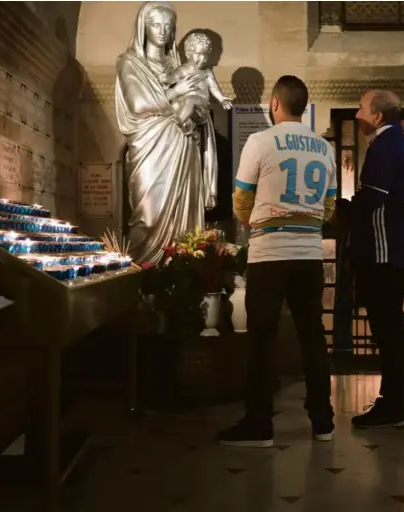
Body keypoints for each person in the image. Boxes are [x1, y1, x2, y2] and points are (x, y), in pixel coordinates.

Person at [217, 75, 337, 447]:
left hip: (269, 254)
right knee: (313, 336)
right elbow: (329, 208)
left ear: (274, 103)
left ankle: (259, 424)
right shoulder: (324, 148)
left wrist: (255, 222)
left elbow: (240, 199)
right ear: (303, 106)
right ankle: (323, 422)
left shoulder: (259, 141)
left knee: (261, 340)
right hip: (309, 255)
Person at [115, 1, 219, 264]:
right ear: (143, 27)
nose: (162, 31)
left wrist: (198, 109)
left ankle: (183, 274)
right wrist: (177, 92)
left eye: (168, 26)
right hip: (150, 147)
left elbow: (201, 107)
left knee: (186, 227)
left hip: (185, 147)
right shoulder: (129, 62)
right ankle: (144, 279)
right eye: (155, 25)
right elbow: (139, 104)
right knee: (148, 218)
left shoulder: (178, 67)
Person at [349, 90, 404, 428]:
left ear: (377, 116)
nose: (358, 113)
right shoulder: (401, 143)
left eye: (362, 108)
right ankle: (400, 400)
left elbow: (373, 197)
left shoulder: (385, 145)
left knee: (386, 329)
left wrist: (345, 212)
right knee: (393, 329)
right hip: (399, 246)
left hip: (383, 249)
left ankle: (392, 404)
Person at [159, 32, 233, 135]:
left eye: (205, 55)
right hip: (184, 103)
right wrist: (165, 79)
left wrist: (221, 99)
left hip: (201, 105)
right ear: (188, 53)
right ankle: (182, 126)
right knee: (175, 105)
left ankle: (177, 124)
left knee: (190, 100)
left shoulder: (206, 72)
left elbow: (213, 88)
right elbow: (172, 79)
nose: (202, 58)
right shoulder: (182, 70)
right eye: (198, 54)